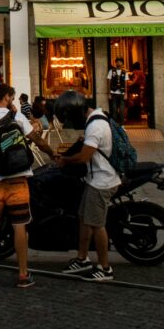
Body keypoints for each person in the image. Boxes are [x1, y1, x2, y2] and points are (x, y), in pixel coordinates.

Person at [0, 82, 55, 289]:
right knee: (20, 227)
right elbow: (38, 140)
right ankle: (23, 275)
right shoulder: (17, 118)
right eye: (12, 98)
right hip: (18, 181)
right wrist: (53, 154)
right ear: (7, 97)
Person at [54, 98, 120, 282]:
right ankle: (82, 258)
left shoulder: (96, 126)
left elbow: (84, 157)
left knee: (97, 225)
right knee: (84, 218)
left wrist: (65, 161)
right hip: (95, 179)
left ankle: (105, 268)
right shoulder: (98, 118)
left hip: (102, 181)